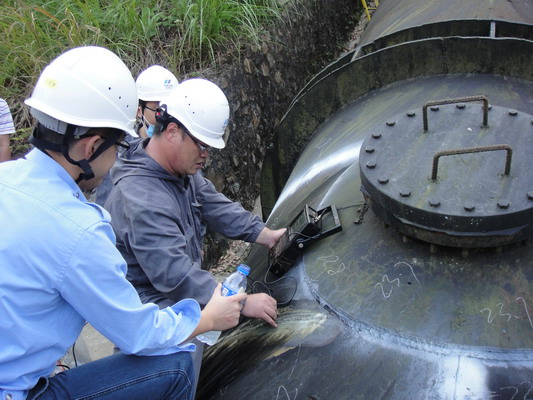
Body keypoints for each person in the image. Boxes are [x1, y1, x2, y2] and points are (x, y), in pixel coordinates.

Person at [0, 46, 245, 400]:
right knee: (174, 365)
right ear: (92, 147)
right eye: (117, 146)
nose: (118, 158)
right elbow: (137, 332)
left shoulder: (7, 178)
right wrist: (206, 320)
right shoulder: (77, 229)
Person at [104, 78, 286, 391]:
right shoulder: (143, 200)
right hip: (156, 327)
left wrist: (264, 233)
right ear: (172, 131)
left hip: (183, 314)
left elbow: (213, 205)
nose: (206, 155)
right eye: (201, 145)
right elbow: (176, 277)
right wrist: (243, 304)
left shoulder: (173, 169)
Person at [94, 65, 178, 206]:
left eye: (170, 110)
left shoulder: (182, 148)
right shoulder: (118, 152)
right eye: (158, 110)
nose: (165, 117)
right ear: (139, 111)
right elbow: (105, 203)